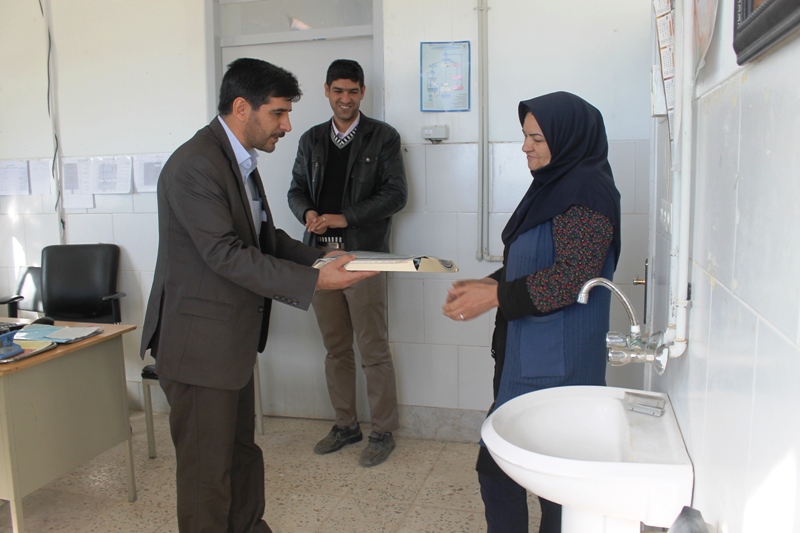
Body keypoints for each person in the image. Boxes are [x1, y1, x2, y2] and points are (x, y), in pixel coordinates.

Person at [140, 58, 375, 533]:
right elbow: (225, 254)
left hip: (229, 343)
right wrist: (316, 283)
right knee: (207, 475)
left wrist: (322, 258)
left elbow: (264, 238)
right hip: (197, 348)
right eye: (278, 113)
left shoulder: (239, 160)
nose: (286, 126)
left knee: (241, 453)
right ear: (242, 107)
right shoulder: (195, 165)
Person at [442, 91, 622, 533]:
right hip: (533, 355)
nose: (525, 147)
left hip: (559, 361)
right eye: (525, 136)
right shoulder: (555, 185)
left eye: (537, 139)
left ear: (568, 138)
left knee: (549, 482)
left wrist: (496, 298)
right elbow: (537, 259)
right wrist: (491, 283)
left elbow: (573, 276)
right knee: (506, 470)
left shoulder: (587, 192)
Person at [287, 59, 407, 467]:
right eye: (338, 91)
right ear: (326, 91)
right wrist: (306, 213)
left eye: (352, 91)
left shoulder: (383, 137)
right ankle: (345, 425)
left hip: (364, 256)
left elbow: (396, 195)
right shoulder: (311, 139)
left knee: (373, 348)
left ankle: (383, 431)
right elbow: (296, 190)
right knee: (335, 348)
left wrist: (345, 217)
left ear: (362, 92)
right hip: (321, 258)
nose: (345, 98)